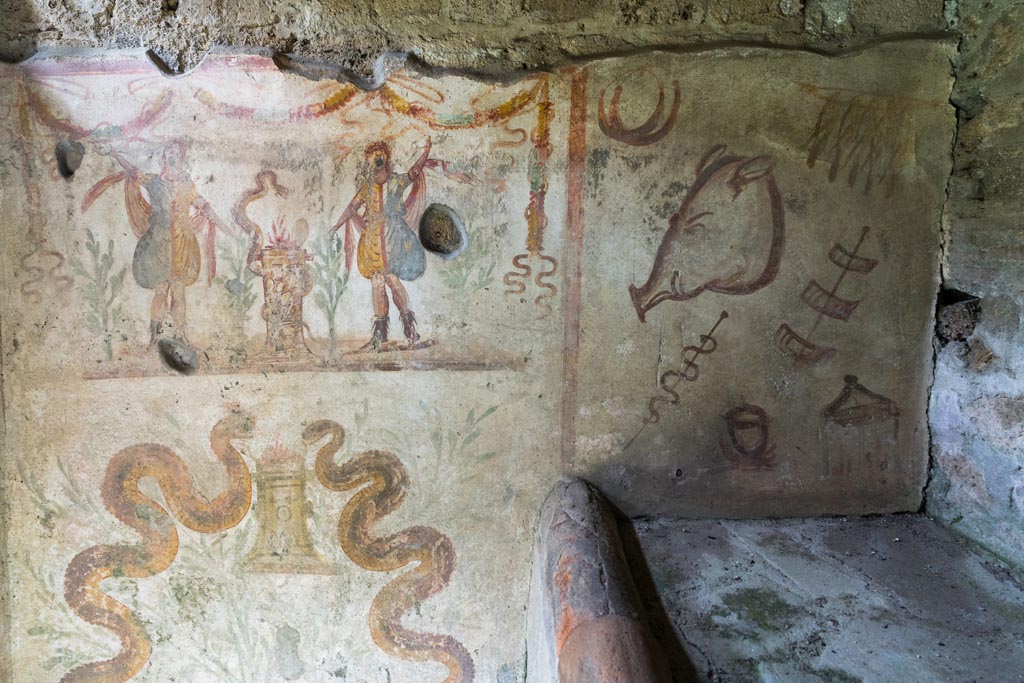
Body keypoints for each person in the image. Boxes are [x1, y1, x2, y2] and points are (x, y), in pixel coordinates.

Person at [90, 141, 231, 347]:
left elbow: (204, 207)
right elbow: (132, 170)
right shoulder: (154, 181)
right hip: (158, 241)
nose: (173, 156)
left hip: (182, 242)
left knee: (179, 291)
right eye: (169, 153)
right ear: (164, 157)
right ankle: (154, 338)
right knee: (161, 290)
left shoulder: (187, 185)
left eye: (176, 153)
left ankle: (181, 336)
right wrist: (112, 152)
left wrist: (225, 227)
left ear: (181, 157)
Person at [332, 139, 431, 350]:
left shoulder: (395, 181)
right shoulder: (367, 187)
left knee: (392, 279)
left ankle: (411, 332)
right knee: (377, 281)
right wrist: (335, 227)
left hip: (393, 236)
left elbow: (414, 172)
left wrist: (426, 152)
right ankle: (379, 336)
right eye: (373, 156)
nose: (377, 159)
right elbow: (352, 208)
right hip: (373, 238)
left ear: (386, 158)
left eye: (380, 155)